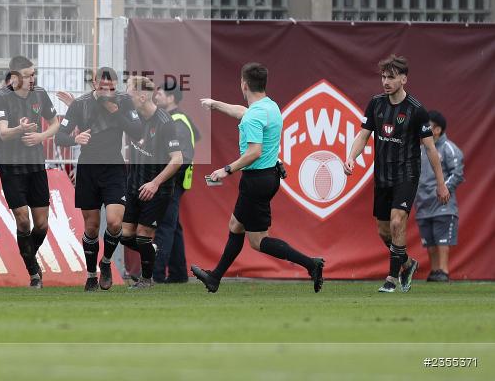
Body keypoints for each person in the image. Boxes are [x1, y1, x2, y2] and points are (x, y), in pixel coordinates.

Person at [191, 62, 324, 294]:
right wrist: (216, 105)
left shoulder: (255, 116)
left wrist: (226, 169)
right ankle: (215, 278)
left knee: (258, 241)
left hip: (256, 181)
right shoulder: (270, 107)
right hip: (268, 177)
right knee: (236, 226)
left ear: (243, 84)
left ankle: (311, 264)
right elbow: (242, 112)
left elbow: (254, 152)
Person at [345, 54, 450, 293]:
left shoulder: (417, 110)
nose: (385, 81)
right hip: (382, 176)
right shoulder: (376, 104)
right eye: (383, 77)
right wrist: (351, 157)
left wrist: (441, 184)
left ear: (404, 79)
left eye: (391, 77)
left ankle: (392, 279)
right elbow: (363, 136)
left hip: (407, 174)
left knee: (396, 222)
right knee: (384, 231)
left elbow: (431, 149)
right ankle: (407, 263)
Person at [55, 67, 144, 291]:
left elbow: (137, 131)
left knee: (115, 222)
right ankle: (91, 274)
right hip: (88, 168)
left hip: (113, 167)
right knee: (92, 227)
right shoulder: (80, 104)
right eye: (104, 87)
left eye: (112, 88)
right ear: (94, 83)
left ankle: (106, 263)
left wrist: (116, 113)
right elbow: (60, 137)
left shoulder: (123, 102)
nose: (108, 92)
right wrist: (76, 138)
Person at [0, 55, 60, 288]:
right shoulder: (0, 98)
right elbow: (2, 133)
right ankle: (33, 272)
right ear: (15, 77)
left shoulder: (39, 93)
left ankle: (27, 254)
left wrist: (41, 135)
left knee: (41, 224)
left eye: (34, 74)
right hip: (10, 165)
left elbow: (55, 122)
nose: (33, 78)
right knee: (23, 219)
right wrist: (20, 129)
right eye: (29, 75)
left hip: (35, 164)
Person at [121, 76, 183, 289]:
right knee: (125, 236)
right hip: (134, 187)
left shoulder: (165, 122)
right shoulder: (134, 118)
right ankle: (152, 251)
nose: (126, 98)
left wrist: (155, 183)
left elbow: (178, 159)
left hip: (157, 190)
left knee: (143, 236)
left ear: (142, 95)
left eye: (129, 93)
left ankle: (147, 281)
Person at [152, 80, 196, 283]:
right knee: (172, 226)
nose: (157, 95)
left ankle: (156, 275)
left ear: (171, 98)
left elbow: (183, 158)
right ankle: (178, 274)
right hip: (174, 181)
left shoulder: (177, 121)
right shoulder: (171, 119)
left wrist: (165, 181)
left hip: (172, 182)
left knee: (164, 226)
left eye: (160, 93)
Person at [413, 111, 464, 282]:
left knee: (442, 240)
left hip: (443, 204)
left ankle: (444, 270)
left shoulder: (449, 148)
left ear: (437, 130)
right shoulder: (420, 150)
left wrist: (443, 189)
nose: (423, 129)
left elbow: (457, 173)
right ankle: (435, 271)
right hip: (423, 205)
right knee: (430, 241)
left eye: (427, 126)